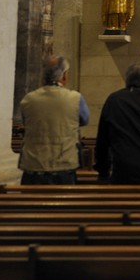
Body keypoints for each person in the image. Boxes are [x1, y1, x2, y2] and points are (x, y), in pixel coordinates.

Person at [18, 56, 89, 185]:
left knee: (31, 204)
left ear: (42, 76)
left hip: (34, 166)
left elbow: (26, 122)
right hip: (64, 164)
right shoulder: (75, 98)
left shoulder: (29, 99)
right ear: (64, 75)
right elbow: (84, 120)